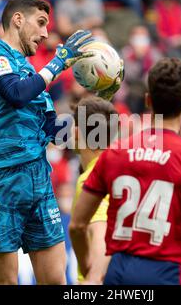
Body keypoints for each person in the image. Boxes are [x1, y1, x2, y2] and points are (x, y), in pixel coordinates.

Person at [0, 0, 117, 285]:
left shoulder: (30, 73)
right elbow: (15, 93)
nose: (46, 33)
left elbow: (54, 131)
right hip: (0, 174)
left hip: (38, 177)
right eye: (41, 23)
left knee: (55, 280)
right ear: (17, 20)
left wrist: (99, 106)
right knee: (5, 282)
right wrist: (58, 63)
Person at [69, 58, 181, 285]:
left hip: (118, 272)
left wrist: (89, 267)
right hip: (164, 271)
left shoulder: (115, 153)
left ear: (148, 100)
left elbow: (77, 225)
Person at [70, 96, 117, 284]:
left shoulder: (92, 180)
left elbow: (100, 233)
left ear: (75, 132)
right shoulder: (118, 169)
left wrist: (93, 279)